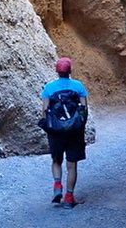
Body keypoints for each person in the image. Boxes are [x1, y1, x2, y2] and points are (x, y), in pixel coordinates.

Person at [40, 57, 88, 209]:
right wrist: (79, 127)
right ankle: (69, 197)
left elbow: (44, 111)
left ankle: (57, 186)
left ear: (57, 71)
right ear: (70, 70)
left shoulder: (49, 88)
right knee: (71, 165)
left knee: (56, 160)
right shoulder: (78, 86)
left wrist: (50, 128)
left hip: (56, 131)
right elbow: (84, 110)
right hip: (74, 131)